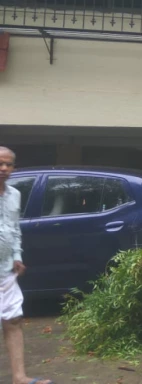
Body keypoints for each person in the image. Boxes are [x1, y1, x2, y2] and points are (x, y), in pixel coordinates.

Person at [0, 147, 54, 384]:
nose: (4, 169)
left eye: (9, 164)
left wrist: (17, 256)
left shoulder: (14, 194)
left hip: (6, 270)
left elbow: (14, 229)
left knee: (13, 320)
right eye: (0, 163)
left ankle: (19, 377)